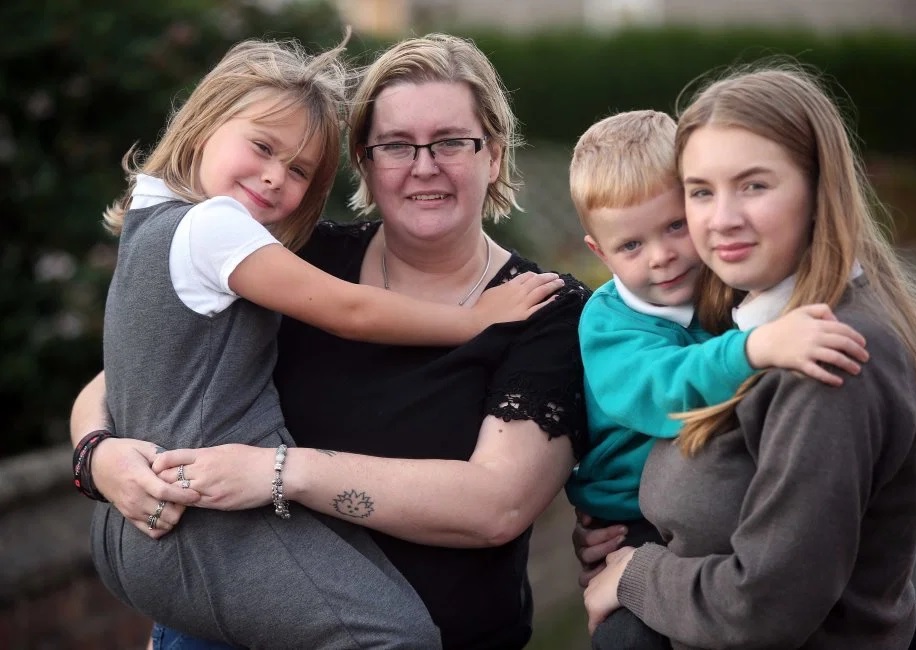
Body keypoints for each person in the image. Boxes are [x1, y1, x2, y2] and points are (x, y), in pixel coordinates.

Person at [71, 33, 589, 650]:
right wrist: (99, 456)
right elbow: (131, 368)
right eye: (395, 145)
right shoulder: (298, 257)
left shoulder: (543, 309)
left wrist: (277, 473)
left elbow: (496, 506)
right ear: (365, 163)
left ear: (494, 155)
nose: (424, 165)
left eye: (451, 141)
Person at [578, 64, 916, 649]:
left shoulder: (822, 355)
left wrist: (636, 574)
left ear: (818, 188)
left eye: (754, 185)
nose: (721, 219)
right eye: (702, 191)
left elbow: (766, 604)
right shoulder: (748, 312)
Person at [565, 109, 870, 649]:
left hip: (721, 506)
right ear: (599, 252)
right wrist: (755, 349)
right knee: (628, 635)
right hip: (630, 519)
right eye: (631, 246)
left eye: (675, 226)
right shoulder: (609, 324)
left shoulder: (726, 282)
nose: (662, 257)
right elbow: (668, 390)